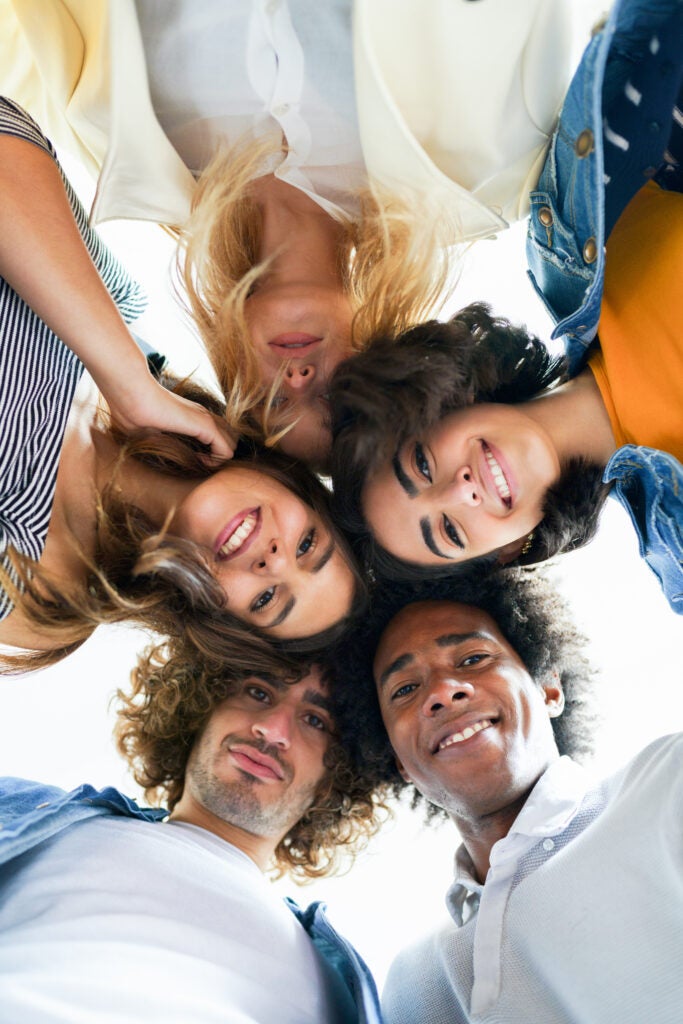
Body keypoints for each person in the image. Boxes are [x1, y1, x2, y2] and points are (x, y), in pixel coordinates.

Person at [0, 0, 585, 467]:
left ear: (232, 370)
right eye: (334, 396)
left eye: (277, 402)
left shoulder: (114, 152)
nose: (300, 378)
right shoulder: (489, 172)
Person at [328, 0, 683, 611]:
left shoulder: (571, 237)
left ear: (442, 402)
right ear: (506, 553)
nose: (457, 491)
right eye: (448, 532)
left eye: (421, 463)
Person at [0, 98, 361, 673]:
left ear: (214, 620)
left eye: (267, 600)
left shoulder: (45, 599)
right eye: (308, 545)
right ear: (291, 484)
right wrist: (130, 383)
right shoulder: (122, 322)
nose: (274, 561)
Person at [330, 570, 683, 1023]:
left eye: (473, 658)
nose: (441, 691)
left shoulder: (666, 785)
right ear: (398, 759)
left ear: (548, 687)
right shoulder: (409, 986)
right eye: (405, 689)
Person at [0, 646, 385, 1022]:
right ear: (200, 707)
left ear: (334, 778)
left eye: (315, 720)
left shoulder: (336, 982)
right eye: (258, 692)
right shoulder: (25, 813)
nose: (272, 730)